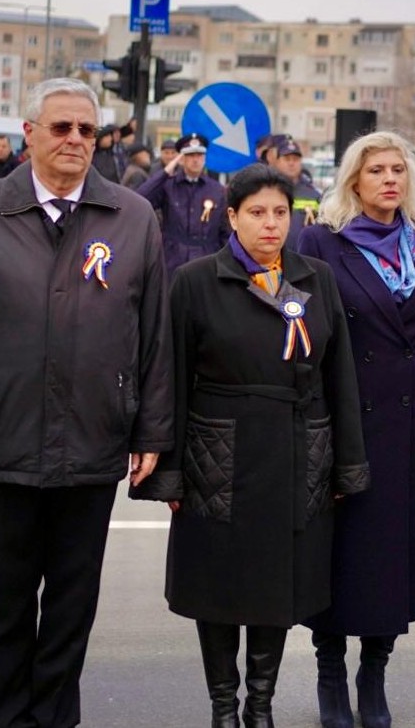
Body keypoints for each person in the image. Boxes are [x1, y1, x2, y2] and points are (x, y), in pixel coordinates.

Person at [0, 77, 174, 728]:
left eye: (86, 130)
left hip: (94, 440)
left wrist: (151, 430)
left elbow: (153, 336)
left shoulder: (132, 216)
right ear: (29, 133)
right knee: (7, 608)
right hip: (2, 441)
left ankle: (56, 719)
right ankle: (3, 719)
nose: (74, 141)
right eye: (60, 127)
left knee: (71, 606)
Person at [132, 163, 369, 728]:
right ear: (232, 217)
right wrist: (168, 471)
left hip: (295, 451)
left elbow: (340, 376)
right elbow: (170, 376)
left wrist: (346, 466)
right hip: (218, 455)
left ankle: (260, 705)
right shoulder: (194, 282)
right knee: (218, 586)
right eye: (257, 213)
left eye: (280, 213)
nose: (270, 225)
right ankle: (223, 706)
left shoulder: (315, 280)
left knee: (276, 586)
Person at [296, 132, 415, 728]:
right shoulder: (321, 241)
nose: (390, 180)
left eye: (399, 170)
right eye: (376, 171)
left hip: (407, 422)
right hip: (345, 420)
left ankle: (375, 672)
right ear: (353, 181)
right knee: (342, 552)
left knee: (394, 553)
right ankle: (331, 670)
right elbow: (307, 340)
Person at [138, 132, 231, 278]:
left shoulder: (217, 190)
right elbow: (141, 198)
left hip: (206, 262)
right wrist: (166, 172)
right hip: (173, 261)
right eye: (190, 155)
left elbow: (225, 231)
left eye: (199, 155)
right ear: (181, 159)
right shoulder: (168, 185)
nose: (195, 160)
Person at [276, 136, 323, 247]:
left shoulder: (314, 194)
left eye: (295, 159)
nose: (291, 163)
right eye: (287, 159)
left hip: (305, 259)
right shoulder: (268, 191)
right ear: (277, 162)